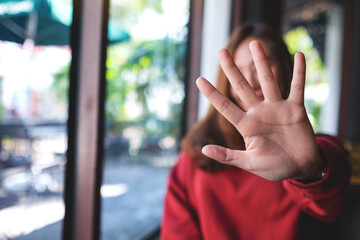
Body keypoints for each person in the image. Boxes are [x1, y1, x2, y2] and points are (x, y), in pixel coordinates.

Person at [160, 22, 351, 240]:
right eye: (238, 73)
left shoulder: (309, 151)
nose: (250, 82)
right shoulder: (197, 154)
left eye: (263, 67)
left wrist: (312, 169)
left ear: (285, 70)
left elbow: (329, 202)